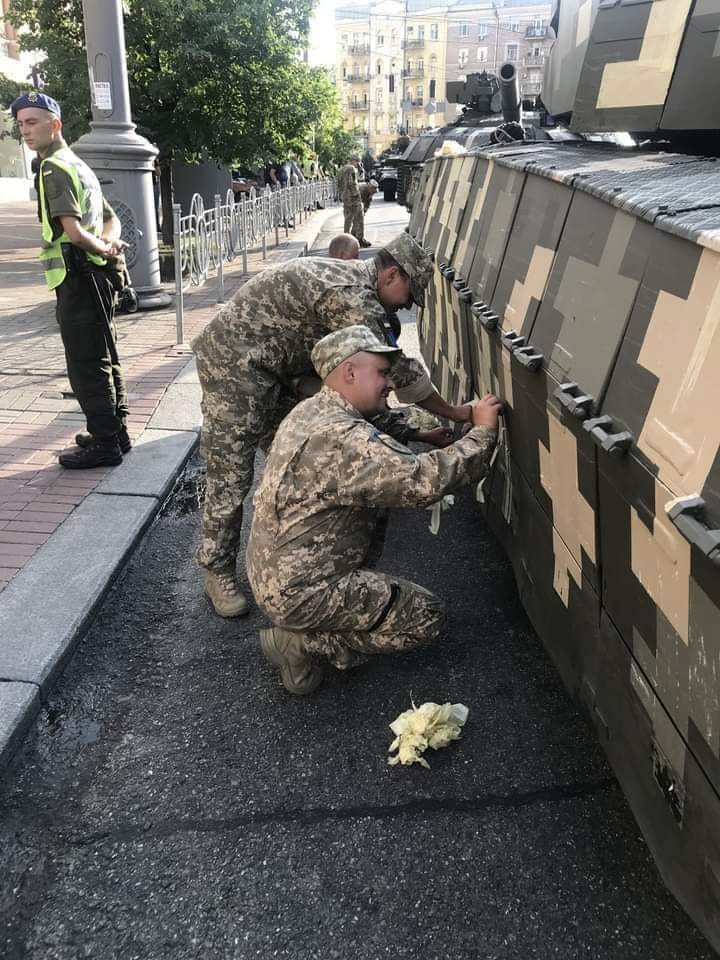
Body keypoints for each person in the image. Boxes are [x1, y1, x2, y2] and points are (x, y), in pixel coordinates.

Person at [192, 232, 474, 619]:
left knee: (298, 458)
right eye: (409, 296)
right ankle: (217, 568)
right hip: (235, 363)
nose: (407, 307)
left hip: (279, 369)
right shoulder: (353, 295)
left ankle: (287, 554)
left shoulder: (359, 285)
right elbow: (399, 372)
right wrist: (456, 412)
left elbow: (362, 400)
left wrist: (416, 432)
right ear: (392, 275)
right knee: (231, 473)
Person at [247, 325, 502, 695]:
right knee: (423, 617)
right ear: (349, 372)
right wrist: (482, 431)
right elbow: (421, 482)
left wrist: (421, 435)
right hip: (302, 588)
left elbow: (378, 430)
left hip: (278, 573)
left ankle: (306, 625)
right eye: (382, 373)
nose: (389, 384)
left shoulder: (315, 411)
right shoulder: (341, 437)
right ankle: (301, 644)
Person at [11, 91, 130, 469]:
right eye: (20, 125)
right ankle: (114, 431)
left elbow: (73, 232)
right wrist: (110, 245)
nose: (25, 132)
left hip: (78, 275)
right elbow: (113, 218)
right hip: (97, 275)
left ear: (54, 124)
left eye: (32, 122)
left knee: (85, 362)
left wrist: (101, 248)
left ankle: (105, 444)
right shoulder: (78, 163)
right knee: (105, 355)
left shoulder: (53, 168)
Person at [336, 156, 370, 248]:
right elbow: (353, 183)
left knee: (347, 219)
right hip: (353, 197)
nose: (358, 164)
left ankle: (345, 239)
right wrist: (356, 194)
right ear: (354, 161)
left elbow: (338, 184)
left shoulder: (341, 169)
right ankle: (360, 239)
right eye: (358, 162)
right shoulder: (352, 169)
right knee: (360, 218)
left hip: (345, 197)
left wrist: (341, 194)